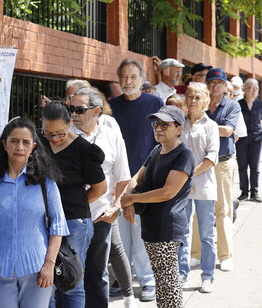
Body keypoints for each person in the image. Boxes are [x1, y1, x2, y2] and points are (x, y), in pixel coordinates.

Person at [0, 118, 69, 308]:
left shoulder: (45, 182)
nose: (19, 147)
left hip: (38, 269)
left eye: (26, 142)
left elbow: (58, 226)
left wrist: (49, 265)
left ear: (33, 146)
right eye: (14, 141)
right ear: (4, 145)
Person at [121, 105, 195, 308]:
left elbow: (167, 192)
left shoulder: (184, 155)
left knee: (168, 283)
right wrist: (129, 200)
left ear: (179, 129)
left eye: (165, 124)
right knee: (161, 280)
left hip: (167, 226)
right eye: (156, 124)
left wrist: (133, 200)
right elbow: (136, 178)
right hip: (151, 224)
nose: (158, 128)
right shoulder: (156, 150)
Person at [68, 88, 134, 308]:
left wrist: (115, 207)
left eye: (79, 109)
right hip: (70, 216)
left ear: (96, 111)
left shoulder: (112, 135)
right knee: (70, 272)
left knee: (97, 274)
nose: (74, 114)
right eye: (71, 108)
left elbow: (123, 177)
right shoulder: (64, 135)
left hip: (100, 217)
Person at [40, 102, 107, 307]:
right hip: (41, 221)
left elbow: (100, 188)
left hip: (74, 222)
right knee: (44, 283)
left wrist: (70, 206)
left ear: (70, 123)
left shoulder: (84, 150)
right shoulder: (38, 143)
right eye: (48, 133)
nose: (54, 139)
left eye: (59, 133)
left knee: (71, 282)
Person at [109, 58, 162, 302]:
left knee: (141, 234)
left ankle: (147, 281)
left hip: (144, 179)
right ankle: (122, 280)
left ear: (142, 79)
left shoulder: (154, 103)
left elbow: (160, 144)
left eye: (133, 76)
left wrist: (142, 176)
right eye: (124, 77)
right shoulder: (110, 106)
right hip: (115, 181)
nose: (128, 81)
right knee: (118, 236)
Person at [177, 82, 219, 294]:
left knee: (206, 235)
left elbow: (212, 158)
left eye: (197, 98)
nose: (193, 101)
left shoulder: (210, 125)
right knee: (182, 233)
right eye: (190, 97)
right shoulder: (179, 124)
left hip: (204, 188)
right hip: (180, 190)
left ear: (206, 101)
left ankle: (207, 276)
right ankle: (182, 274)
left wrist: (188, 175)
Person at [204, 68, 241, 272]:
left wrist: (204, 127)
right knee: (199, 209)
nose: (215, 86)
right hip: (202, 162)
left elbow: (228, 131)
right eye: (212, 82)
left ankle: (225, 255)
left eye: (219, 82)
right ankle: (196, 253)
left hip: (223, 162)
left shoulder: (232, 106)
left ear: (225, 86)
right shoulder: (201, 104)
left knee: (223, 209)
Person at [235, 79, 262, 202]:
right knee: (242, 166)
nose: (254, 91)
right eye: (251, 88)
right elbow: (233, 121)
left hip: (256, 139)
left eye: (256, 88)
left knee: (254, 167)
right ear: (244, 89)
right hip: (242, 140)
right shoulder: (238, 104)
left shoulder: (260, 104)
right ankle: (244, 193)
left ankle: (254, 193)